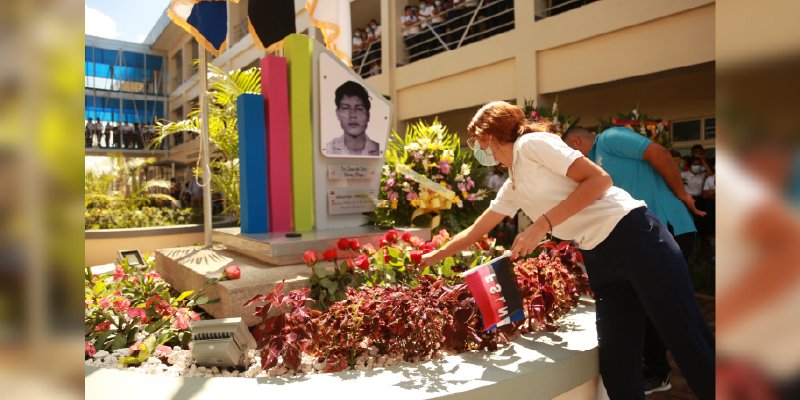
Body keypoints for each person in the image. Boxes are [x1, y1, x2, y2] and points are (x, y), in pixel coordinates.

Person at [420, 101, 714, 399]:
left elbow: (600, 179)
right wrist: (432, 256)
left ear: (491, 135)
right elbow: (476, 230)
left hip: (636, 238)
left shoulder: (532, 144)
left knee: (688, 343)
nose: (479, 148)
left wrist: (541, 225)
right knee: (618, 366)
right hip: (600, 256)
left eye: (478, 140)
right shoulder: (514, 183)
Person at [563, 125, 706, 395]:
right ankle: (654, 370)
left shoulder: (610, 138)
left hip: (668, 227)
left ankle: (659, 370)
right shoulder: (591, 167)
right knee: (645, 305)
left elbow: (660, 154)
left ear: (576, 140)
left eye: (569, 151)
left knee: (668, 311)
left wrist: (682, 195)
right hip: (640, 241)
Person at [324, 81, 380, 156]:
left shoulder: (378, 150)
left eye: (359, 108)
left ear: (368, 115)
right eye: (346, 108)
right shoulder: (328, 150)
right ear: (337, 113)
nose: (352, 115)